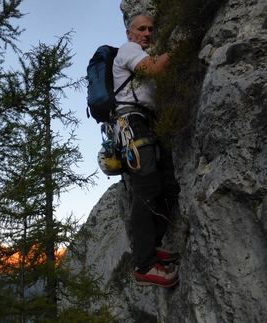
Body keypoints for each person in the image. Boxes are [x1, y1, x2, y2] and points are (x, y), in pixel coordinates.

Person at [113, 11, 181, 287]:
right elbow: (153, 69)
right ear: (129, 34)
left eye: (151, 29)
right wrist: (179, 49)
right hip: (132, 122)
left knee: (165, 186)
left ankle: (151, 249)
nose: (147, 33)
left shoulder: (140, 54)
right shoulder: (129, 49)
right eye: (141, 29)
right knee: (146, 187)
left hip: (144, 123)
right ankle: (143, 264)